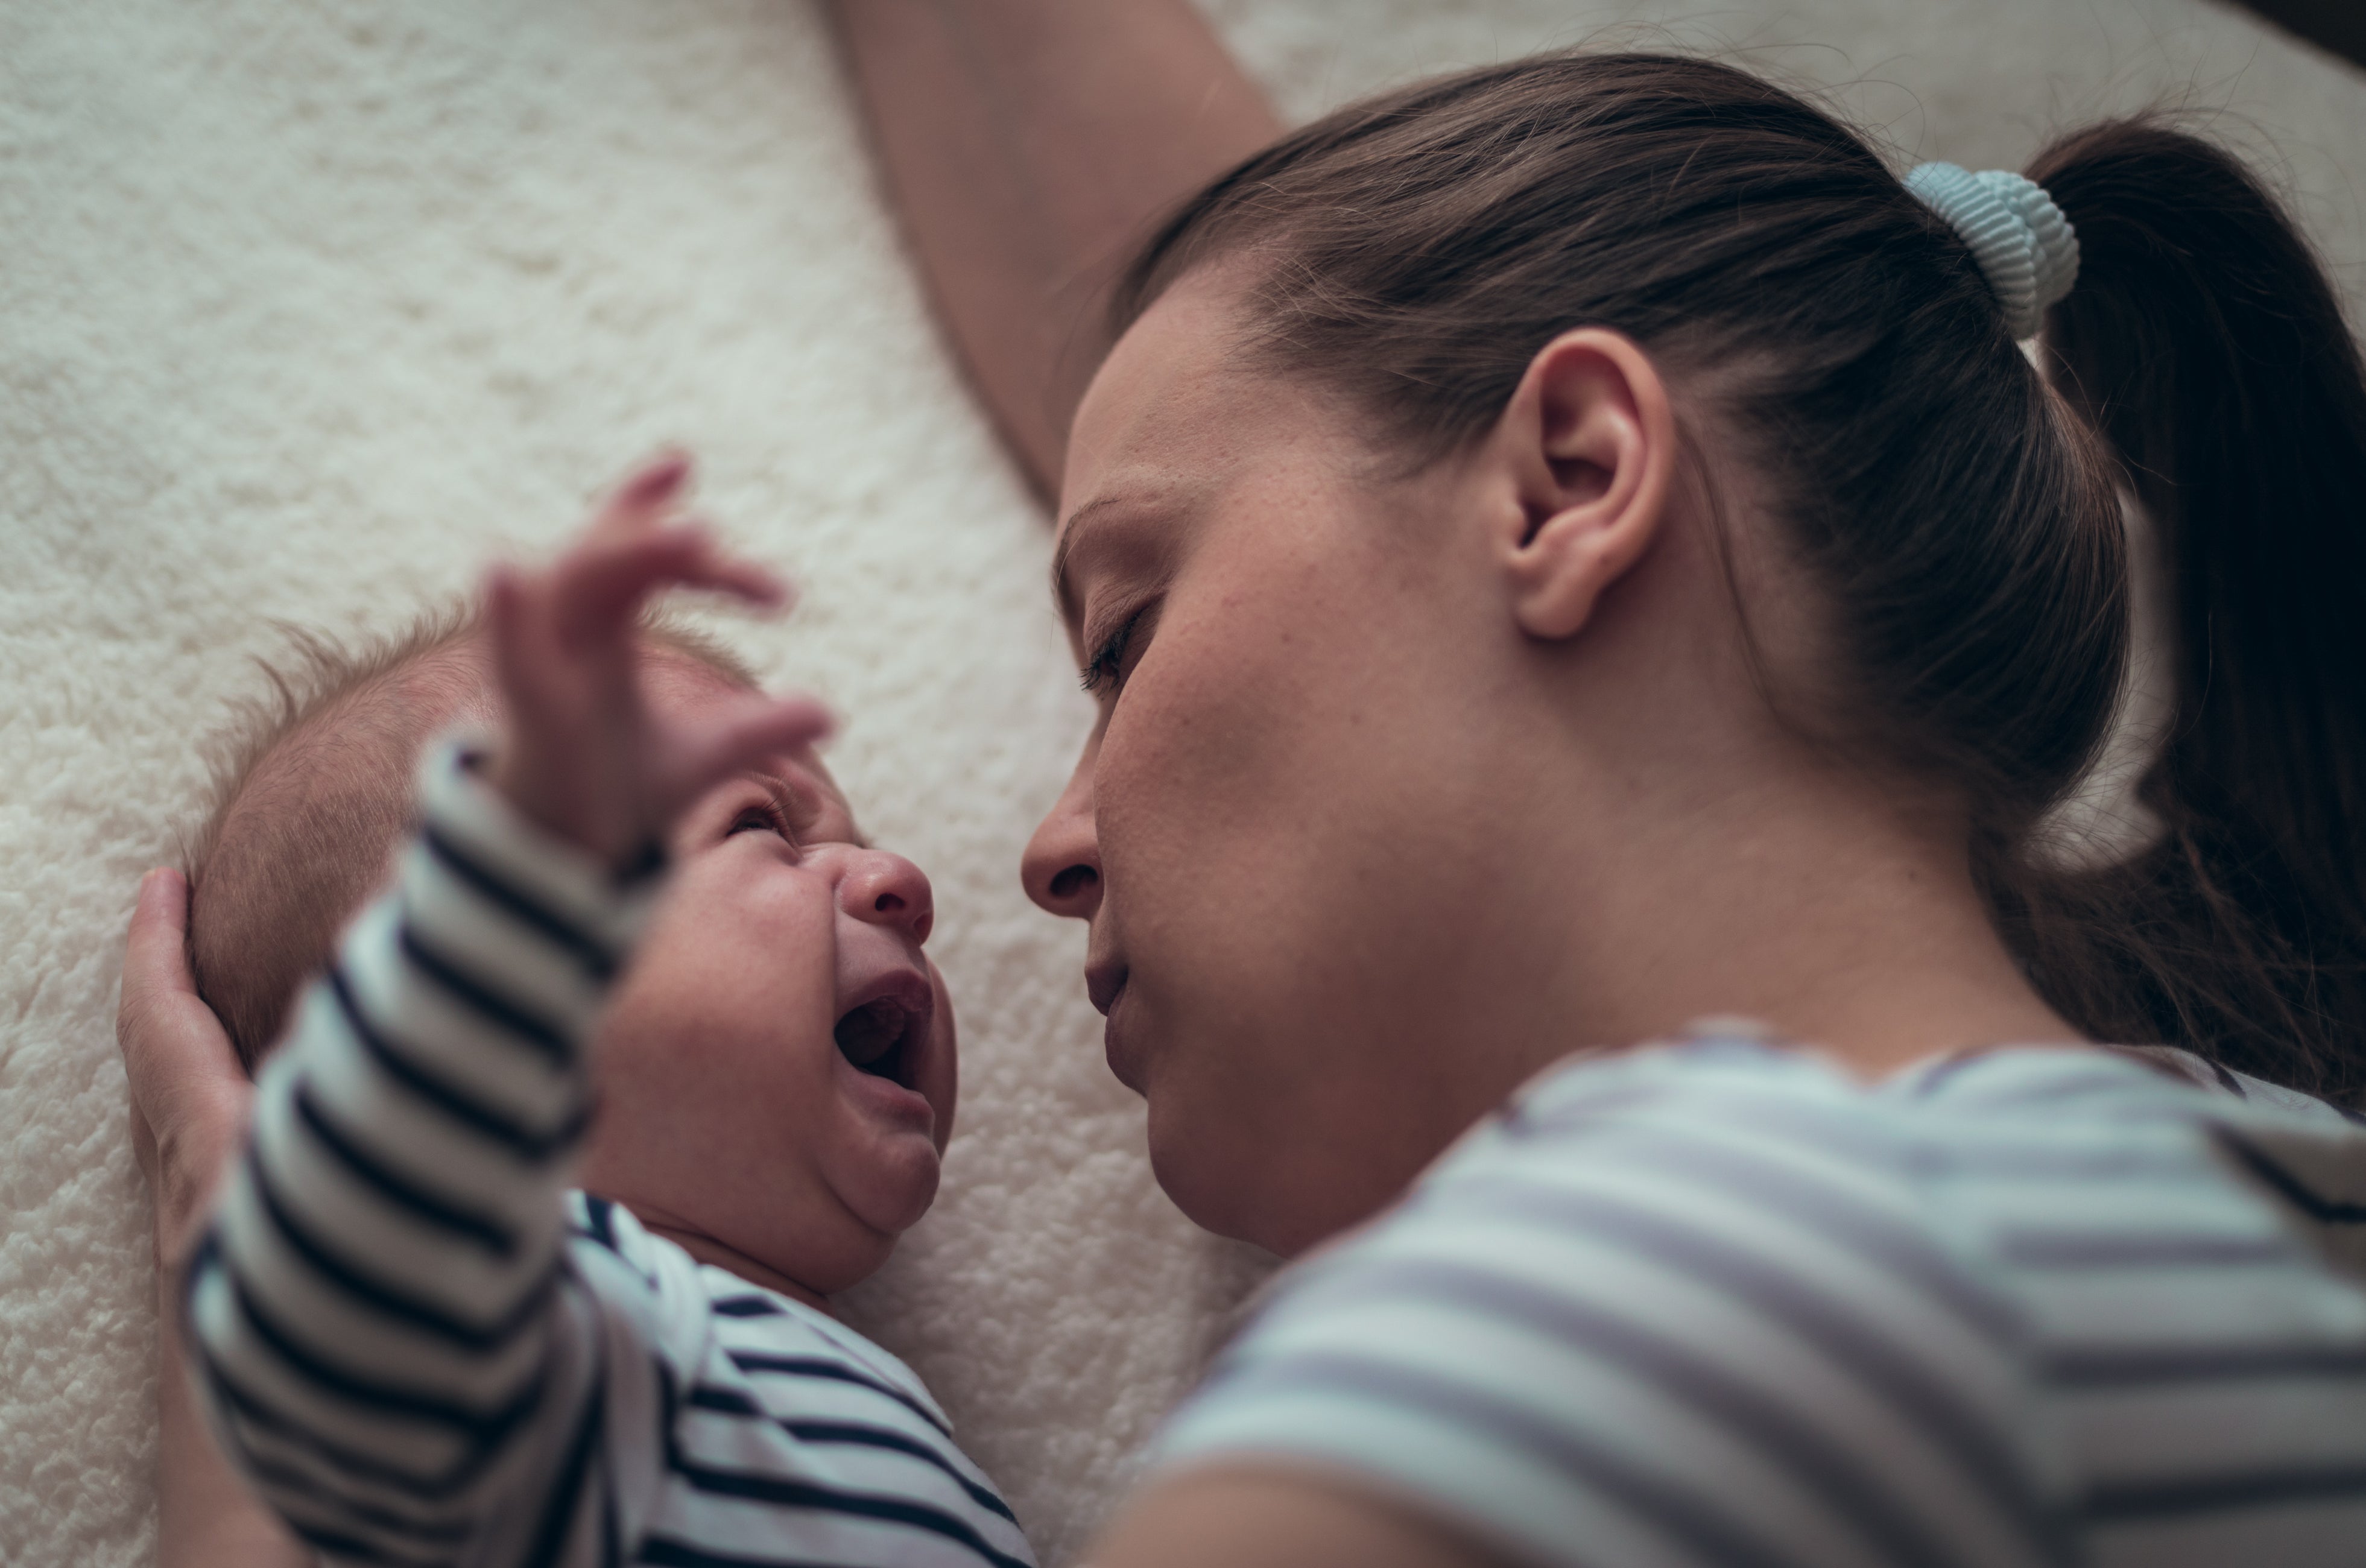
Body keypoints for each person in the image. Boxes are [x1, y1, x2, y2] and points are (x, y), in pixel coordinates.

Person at [127, 10, 2366, 1568]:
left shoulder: (1638, 1304)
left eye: (1118, 637)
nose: (1031, 844)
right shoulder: (2244, 1180)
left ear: (1574, 483)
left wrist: (251, 1407)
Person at [145, 454, 1037, 1568]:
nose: (893, 877)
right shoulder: (572, 1319)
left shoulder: (792, 1375)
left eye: (850, 837)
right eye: (762, 826)